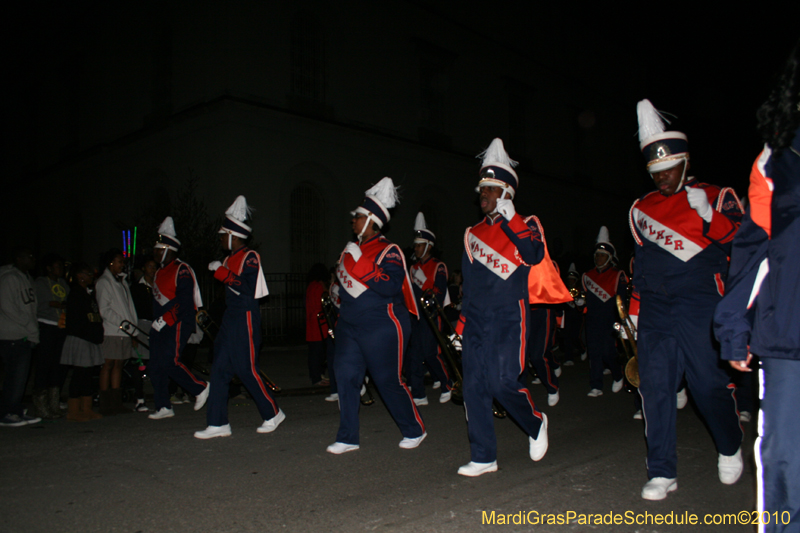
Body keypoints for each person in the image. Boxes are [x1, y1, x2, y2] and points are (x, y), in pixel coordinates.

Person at [628, 99, 744, 500]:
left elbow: (745, 245)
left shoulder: (718, 194)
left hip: (701, 303)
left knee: (707, 384)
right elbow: (641, 263)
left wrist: (712, 217)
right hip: (657, 307)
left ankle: (729, 443)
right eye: (655, 172)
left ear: (685, 162)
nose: (662, 179)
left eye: (669, 170)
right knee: (655, 389)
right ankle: (661, 470)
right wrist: (637, 312)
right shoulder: (641, 209)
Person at [714, 41, 800, 533]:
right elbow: (754, 249)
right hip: (789, 336)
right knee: (787, 465)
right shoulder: (775, 161)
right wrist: (733, 325)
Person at [455, 138, 571, 476]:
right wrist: (462, 326)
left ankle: (535, 423)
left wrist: (511, 220)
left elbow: (534, 256)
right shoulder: (471, 233)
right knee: (474, 386)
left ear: (506, 192)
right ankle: (483, 456)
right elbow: (470, 285)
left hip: (509, 316)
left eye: (491, 188)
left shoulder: (527, 223)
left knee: (502, 382)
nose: (484, 195)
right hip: (476, 317)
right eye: (482, 189)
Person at [327, 177, 425, 454]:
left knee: (387, 380)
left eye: (357, 217)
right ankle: (348, 437)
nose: (353, 222)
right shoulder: (351, 248)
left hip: (382, 323)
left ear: (371, 220)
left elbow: (390, 285)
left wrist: (360, 261)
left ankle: (414, 428)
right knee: (345, 375)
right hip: (349, 323)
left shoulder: (389, 250)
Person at [195, 196, 283, 439]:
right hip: (230, 317)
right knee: (219, 370)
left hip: (244, 316)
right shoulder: (228, 259)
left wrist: (222, 273)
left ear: (234, 235)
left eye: (224, 234)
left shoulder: (250, 256)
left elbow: (247, 289)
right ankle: (218, 423)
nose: (221, 239)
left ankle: (273, 412)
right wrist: (222, 270)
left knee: (245, 369)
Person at [147, 217, 209, 420]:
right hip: (160, 324)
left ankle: (200, 387)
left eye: (158, 249)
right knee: (156, 364)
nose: (155, 253)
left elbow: (184, 300)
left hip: (178, 321)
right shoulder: (159, 272)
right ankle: (163, 405)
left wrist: (166, 318)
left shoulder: (181, 269)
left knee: (169, 361)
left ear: (168, 249)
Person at [406, 212, 453, 406]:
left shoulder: (438, 266)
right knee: (414, 356)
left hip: (432, 315)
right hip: (415, 316)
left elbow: (439, 294)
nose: (416, 248)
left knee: (431, 353)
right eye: (415, 245)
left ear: (428, 246)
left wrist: (424, 281)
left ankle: (447, 383)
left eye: (419, 245)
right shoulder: (412, 267)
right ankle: (418, 394)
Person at [582, 226, 627, 397]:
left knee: (609, 352)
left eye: (602, 255)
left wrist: (622, 322)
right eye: (597, 255)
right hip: (592, 319)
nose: (599, 258)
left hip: (609, 319)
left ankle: (618, 374)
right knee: (594, 353)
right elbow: (585, 298)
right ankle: (596, 385)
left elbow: (621, 302)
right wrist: (580, 302)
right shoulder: (587, 275)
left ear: (609, 258)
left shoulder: (618, 275)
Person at [0, 248, 42, 427]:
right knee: (14, 376)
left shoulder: (26, 278)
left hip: (25, 334)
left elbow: (31, 307)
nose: (33, 260)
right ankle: (7, 412)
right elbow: (8, 307)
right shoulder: (9, 278)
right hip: (12, 335)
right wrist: (29, 325)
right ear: (18, 259)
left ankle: (15, 409)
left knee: (21, 376)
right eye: (29, 257)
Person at [95, 248, 138, 415]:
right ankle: (105, 404)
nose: (122, 265)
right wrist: (122, 323)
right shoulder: (104, 282)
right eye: (120, 261)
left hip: (124, 330)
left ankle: (116, 402)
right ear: (110, 262)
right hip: (112, 330)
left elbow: (129, 308)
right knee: (108, 365)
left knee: (119, 364)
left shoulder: (122, 282)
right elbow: (104, 309)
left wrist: (132, 328)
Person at [59, 262, 104, 422]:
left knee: (87, 374)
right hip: (81, 339)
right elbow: (76, 322)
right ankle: (73, 410)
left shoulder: (87, 294)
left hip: (90, 338)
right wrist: (89, 334)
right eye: (87, 273)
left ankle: (86, 408)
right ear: (79, 276)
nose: (91, 276)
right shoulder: (76, 294)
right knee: (80, 374)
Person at [32, 253, 69, 419]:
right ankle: (41, 403)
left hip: (61, 326)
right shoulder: (40, 283)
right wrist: (54, 304)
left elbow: (68, 301)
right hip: (46, 325)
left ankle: (54, 402)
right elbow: (40, 304)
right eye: (57, 266)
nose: (60, 269)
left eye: (61, 266)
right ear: (48, 268)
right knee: (44, 364)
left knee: (57, 365)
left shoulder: (63, 283)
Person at [130, 256, 157, 412]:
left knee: (155, 362)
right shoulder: (137, 288)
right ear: (143, 269)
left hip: (157, 326)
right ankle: (139, 397)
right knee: (140, 363)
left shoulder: (158, 286)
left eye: (154, 267)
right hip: (141, 325)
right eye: (149, 266)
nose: (152, 270)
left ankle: (158, 395)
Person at [305, 263, 331, 388]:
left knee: (314, 352)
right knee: (318, 353)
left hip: (312, 323)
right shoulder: (318, 286)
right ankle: (317, 378)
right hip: (319, 324)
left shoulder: (311, 285)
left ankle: (317, 376)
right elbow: (324, 302)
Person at [561, 263, 585, 366]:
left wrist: (580, 301)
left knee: (575, 336)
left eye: (572, 279)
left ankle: (583, 349)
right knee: (567, 337)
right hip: (566, 317)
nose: (570, 281)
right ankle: (569, 358)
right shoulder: (564, 289)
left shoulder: (580, 290)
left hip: (577, 317)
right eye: (569, 279)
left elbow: (583, 304)